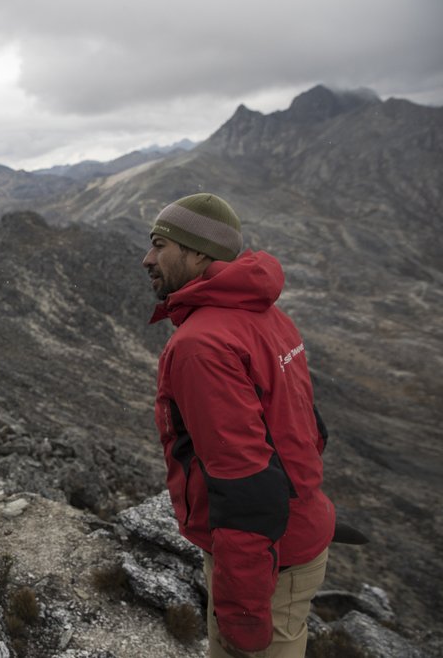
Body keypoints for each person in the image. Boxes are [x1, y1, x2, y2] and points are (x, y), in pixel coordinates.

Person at [141, 193, 335, 657]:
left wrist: (243, 607)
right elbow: (307, 429)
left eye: (160, 245)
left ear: (199, 253)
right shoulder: (266, 315)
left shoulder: (201, 344)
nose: (147, 259)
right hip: (294, 538)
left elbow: (244, 482)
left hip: (267, 562)